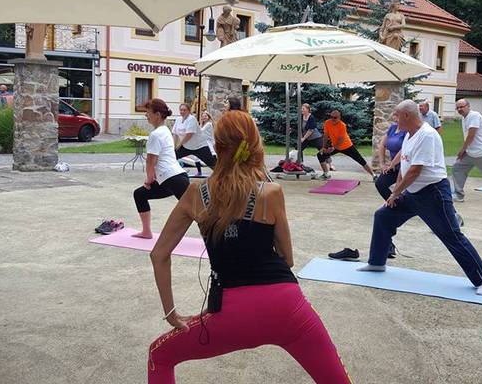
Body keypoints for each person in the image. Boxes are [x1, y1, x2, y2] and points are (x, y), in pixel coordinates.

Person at [147, 110, 352, 383]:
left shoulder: (195, 194)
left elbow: (159, 254)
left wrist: (172, 313)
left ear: (216, 146)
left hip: (229, 312)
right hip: (287, 307)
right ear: (256, 146)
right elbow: (287, 258)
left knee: (159, 355)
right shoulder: (271, 192)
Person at [355, 100, 482, 296]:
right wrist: (398, 191)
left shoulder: (427, 135)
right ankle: (377, 263)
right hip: (412, 193)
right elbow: (404, 166)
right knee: (383, 216)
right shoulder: (410, 135)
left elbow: (415, 171)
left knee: (451, 236)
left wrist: (395, 193)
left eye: (396, 115)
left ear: (406, 116)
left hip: (433, 194)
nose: (394, 119)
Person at [132, 99, 189, 239]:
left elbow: (151, 161)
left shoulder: (156, 134)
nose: (146, 115)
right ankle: (146, 232)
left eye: (148, 112)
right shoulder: (165, 131)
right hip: (173, 178)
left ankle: (215, 238)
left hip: (173, 179)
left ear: (157, 114)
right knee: (140, 194)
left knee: (195, 211)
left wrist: (149, 180)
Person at [316, 110, 374, 180]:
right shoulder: (327, 123)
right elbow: (325, 136)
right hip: (335, 146)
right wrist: (324, 147)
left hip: (347, 146)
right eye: (331, 117)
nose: (332, 119)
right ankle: (326, 174)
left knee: (360, 160)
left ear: (339, 118)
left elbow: (341, 140)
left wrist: (333, 148)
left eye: (335, 117)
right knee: (320, 154)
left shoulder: (342, 125)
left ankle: (374, 175)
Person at [172, 103, 217, 171]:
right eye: (181, 110)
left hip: (199, 146)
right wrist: (174, 146)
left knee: (212, 164)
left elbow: (189, 135)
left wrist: (179, 145)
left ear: (189, 111)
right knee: (172, 156)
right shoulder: (178, 119)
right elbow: (174, 134)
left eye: (184, 110)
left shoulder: (192, 119)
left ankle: (223, 176)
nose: (182, 112)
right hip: (186, 147)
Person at [375, 113, 407, 200]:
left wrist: (392, 164)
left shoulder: (407, 130)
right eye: (394, 115)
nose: (395, 118)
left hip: (405, 167)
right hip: (394, 167)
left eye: (397, 115)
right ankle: (395, 206)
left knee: (400, 190)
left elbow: (404, 150)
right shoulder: (392, 128)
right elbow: (382, 144)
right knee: (380, 183)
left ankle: (395, 203)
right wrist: (382, 164)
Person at [299, 103, 332, 169]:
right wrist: (301, 137)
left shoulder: (311, 117)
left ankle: (330, 165)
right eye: (301, 109)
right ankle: (300, 164)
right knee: (299, 148)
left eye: (303, 109)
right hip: (306, 137)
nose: (302, 110)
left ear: (308, 109)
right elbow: (299, 127)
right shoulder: (301, 117)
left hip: (315, 137)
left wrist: (303, 138)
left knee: (322, 150)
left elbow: (311, 130)